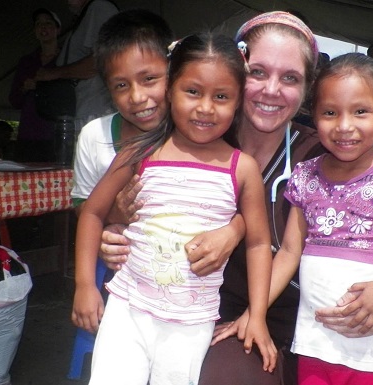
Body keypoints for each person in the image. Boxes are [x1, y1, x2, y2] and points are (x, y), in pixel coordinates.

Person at [99, 11, 373, 385]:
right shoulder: (196, 139)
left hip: (303, 328)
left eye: (290, 78)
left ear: (307, 90)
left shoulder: (325, 157)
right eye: (258, 72)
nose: (271, 90)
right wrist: (117, 231)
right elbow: (133, 219)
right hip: (194, 314)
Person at [222, 52, 373, 385]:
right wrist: (254, 314)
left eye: (360, 112)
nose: (345, 126)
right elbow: (288, 253)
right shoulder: (304, 176)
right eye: (330, 113)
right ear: (314, 115)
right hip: (314, 346)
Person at [75, 32, 277, 385]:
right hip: (128, 310)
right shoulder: (140, 153)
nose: (205, 107)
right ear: (170, 91)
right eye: (193, 91)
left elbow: (259, 242)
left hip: (191, 323)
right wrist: (84, 286)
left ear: (239, 101)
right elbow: (92, 212)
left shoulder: (242, 169)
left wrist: (256, 314)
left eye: (222, 97)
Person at [70, 8, 173, 347]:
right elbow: (84, 207)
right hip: (122, 272)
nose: (137, 97)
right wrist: (109, 226)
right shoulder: (93, 136)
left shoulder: (196, 133)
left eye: (149, 79)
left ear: (174, 71)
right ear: (107, 89)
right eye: (121, 86)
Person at [35, 0, 119, 133]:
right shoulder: (86, 16)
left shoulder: (99, 7)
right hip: (84, 114)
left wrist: (55, 73)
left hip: (95, 115)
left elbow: (103, 60)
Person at [9, 8, 61, 162]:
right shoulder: (27, 62)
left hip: (56, 135)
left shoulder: (67, 59)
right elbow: (14, 100)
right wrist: (25, 88)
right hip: (28, 134)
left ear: (58, 29)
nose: (43, 27)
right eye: (38, 24)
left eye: (48, 23)